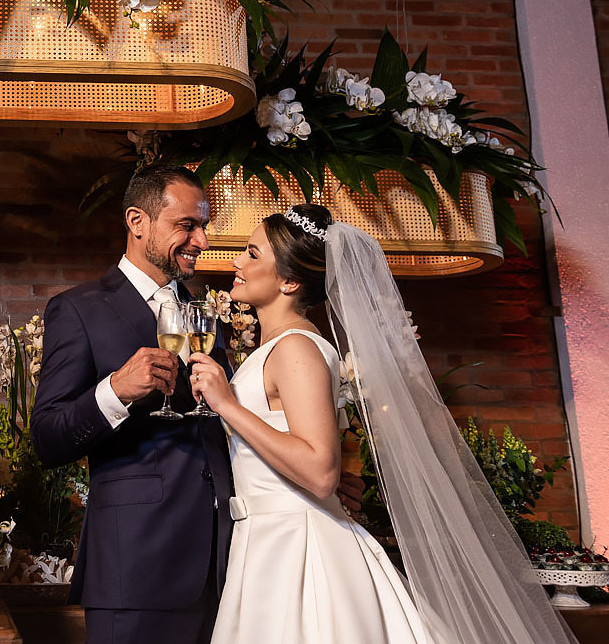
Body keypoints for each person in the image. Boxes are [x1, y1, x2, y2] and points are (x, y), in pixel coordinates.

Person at [190, 204, 576, 644]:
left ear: (289, 281)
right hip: (267, 540)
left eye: (252, 253)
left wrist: (227, 405)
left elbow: (319, 473)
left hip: (301, 549)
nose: (236, 262)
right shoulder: (277, 347)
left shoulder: (297, 348)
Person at [31, 164, 235, 644]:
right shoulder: (79, 309)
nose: (201, 240)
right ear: (137, 222)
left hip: (222, 561)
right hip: (137, 563)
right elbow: (47, 438)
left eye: (203, 226)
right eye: (186, 225)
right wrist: (115, 391)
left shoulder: (202, 313)